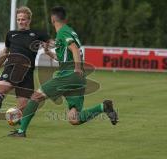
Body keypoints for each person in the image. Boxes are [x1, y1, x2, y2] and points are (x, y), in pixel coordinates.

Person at [8, 6, 118, 137]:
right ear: (65, 18)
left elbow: (74, 49)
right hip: (77, 78)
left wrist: (77, 68)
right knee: (74, 118)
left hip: (70, 74)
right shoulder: (69, 31)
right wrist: (50, 54)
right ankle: (103, 107)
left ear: (52, 19)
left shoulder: (62, 32)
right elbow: (66, 56)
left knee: (35, 97)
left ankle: (21, 131)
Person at [0, 6, 50, 124]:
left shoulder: (37, 34)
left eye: (23, 19)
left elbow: (51, 42)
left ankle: (14, 117)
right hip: (12, 65)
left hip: (28, 72)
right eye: (19, 19)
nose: (21, 22)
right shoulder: (11, 34)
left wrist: (50, 48)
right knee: (2, 88)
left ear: (29, 20)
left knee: (22, 109)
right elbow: (5, 52)